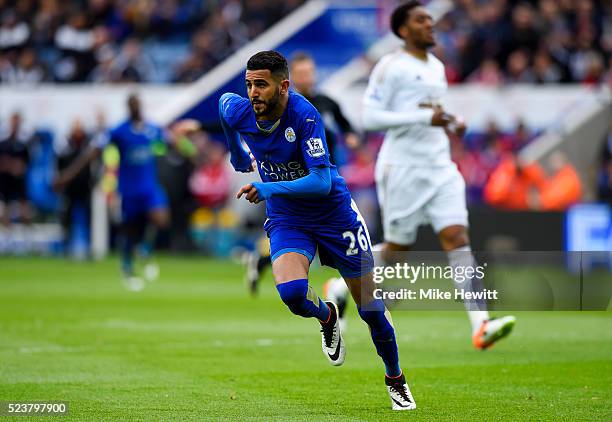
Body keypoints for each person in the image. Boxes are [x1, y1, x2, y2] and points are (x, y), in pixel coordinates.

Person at [219, 50, 416, 410]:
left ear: (283, 86)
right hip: (288, 217)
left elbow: (322, 182)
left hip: (334, 215)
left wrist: (266, 187)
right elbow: (223, 104)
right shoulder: (240, 108)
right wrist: (235, 152)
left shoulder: (305, 115)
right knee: (293, 294)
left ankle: (395, 377)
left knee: (371, 310)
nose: (252, 93)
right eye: (249, 84)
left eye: (261, 85)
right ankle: (328, 316)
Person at [326, 1, 516, 350]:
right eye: (421, 20)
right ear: (402, 30)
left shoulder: (437, 67)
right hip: (403, 168)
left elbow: (429, 111)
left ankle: (482, 325)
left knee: (457, 237)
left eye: (430, 19)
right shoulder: (391, 66)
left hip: (440, 165)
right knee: (398, 250)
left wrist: (450, 121)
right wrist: (421, 120)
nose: (430, 24)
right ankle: (341, 285)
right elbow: (370, 117)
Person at [244, 51, 361, 295]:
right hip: (290, 184)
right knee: (294, 237)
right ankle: (270, 262)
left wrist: (351, 136)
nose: (306, 77)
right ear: (291, 79)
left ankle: (267, 262)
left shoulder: (326, 103)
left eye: (309, 72)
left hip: (325, 178)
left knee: (341, 251)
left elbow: (345, 123)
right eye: (301, 74)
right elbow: (236, 118)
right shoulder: (275, 106)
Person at [55, 94, 197, 291]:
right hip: (129, 190)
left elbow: (174, 141)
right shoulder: (118, 131)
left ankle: (145, 251)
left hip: (149, 188)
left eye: (137, 105)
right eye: (133, 106)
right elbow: (92, 152)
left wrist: (192, 151)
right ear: (129, 109)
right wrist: (68, 175)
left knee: (162, 219)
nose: (136, 109)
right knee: (130, 230)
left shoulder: (152, 129)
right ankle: (127, 267)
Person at [0, 112, 32, 226]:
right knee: (5, 205)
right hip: (5, 179)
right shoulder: (3, 141)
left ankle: (25, 231)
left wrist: (18, 167)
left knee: (24, 204)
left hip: (19, 179)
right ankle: (5, 231)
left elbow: (27, 162)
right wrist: (10, 166)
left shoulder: (23, 142)